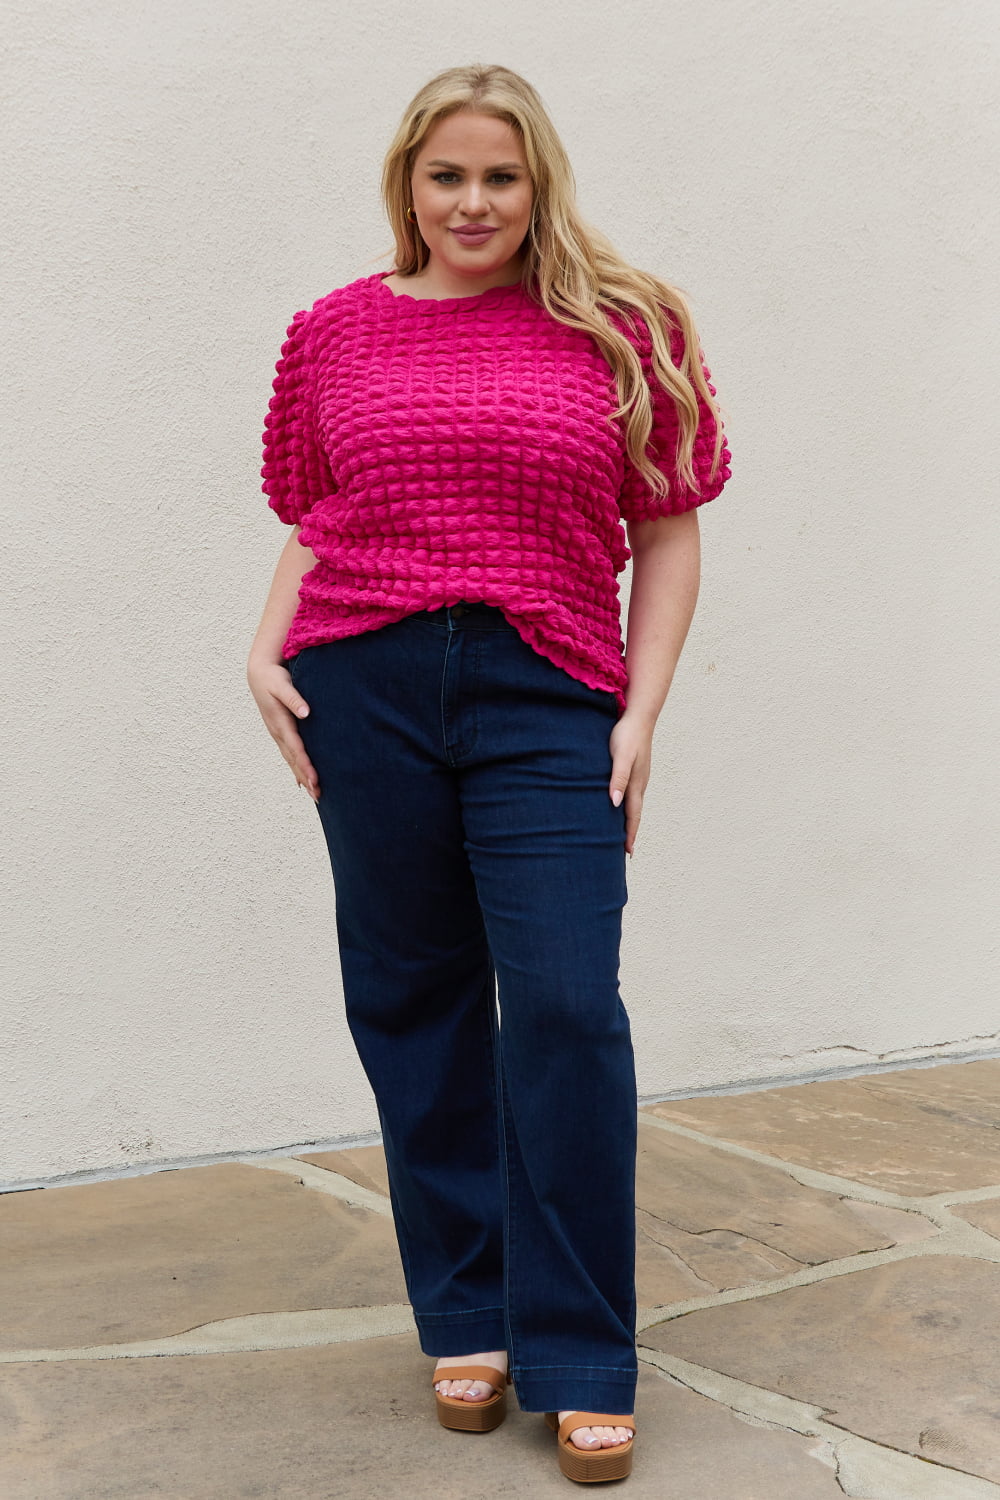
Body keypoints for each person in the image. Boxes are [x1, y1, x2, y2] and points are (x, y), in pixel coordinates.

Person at [247, 62, 731, 1486]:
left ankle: (580, 1351)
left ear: (539, 184)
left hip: (548, 692)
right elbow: (319, 515)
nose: (473, 202)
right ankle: (466, 1311)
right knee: (415, 1001)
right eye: (447, 175)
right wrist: (262, 649)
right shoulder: (334, 332)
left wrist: (639, 714)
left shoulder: (625, 326)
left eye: (500, 177)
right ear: (408, 182)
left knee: (568, 1007)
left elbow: (670, 529)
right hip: (366, 684)